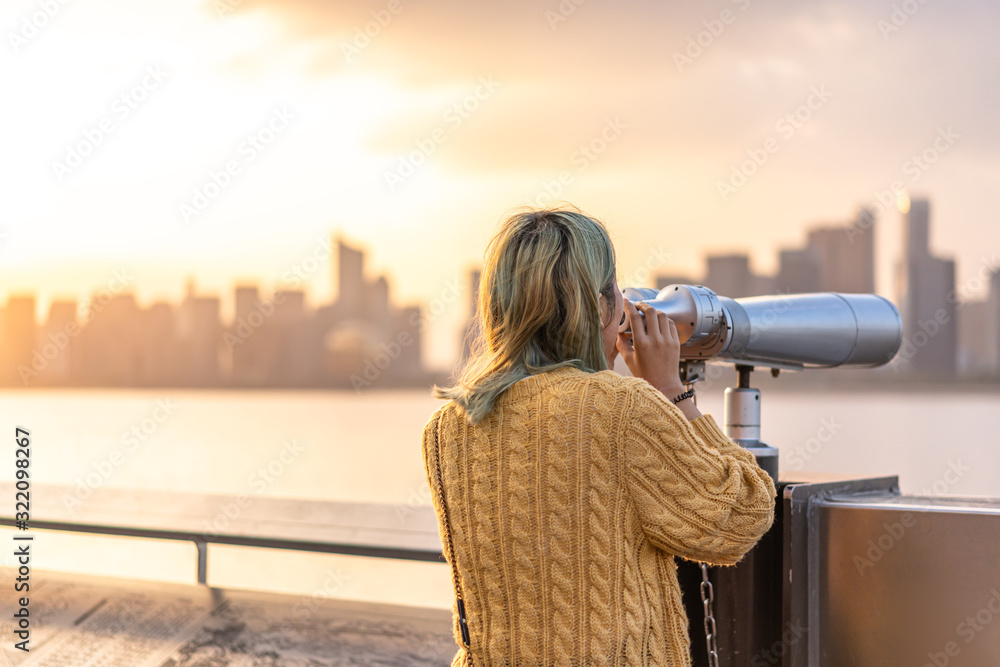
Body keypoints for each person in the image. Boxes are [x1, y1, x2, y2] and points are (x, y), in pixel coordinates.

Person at [421, 207, 776, 666]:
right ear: (602, 303)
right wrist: (672, 391)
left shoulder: (446, 428)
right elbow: (740, 517)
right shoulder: (621, 407)